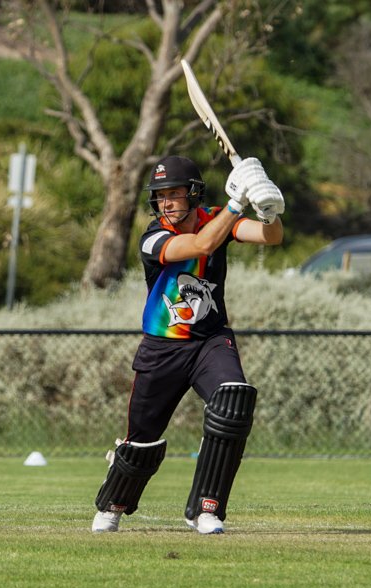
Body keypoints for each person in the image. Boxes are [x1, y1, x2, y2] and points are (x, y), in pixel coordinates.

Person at [91, 154, 284, 534]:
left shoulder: (216, 217)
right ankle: (114, 501)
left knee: (234, 400)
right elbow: (199, 246)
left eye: (174, 194)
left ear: (193, 194)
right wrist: (236, 202)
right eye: (161, 196)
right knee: (141, 441)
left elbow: (270, 238)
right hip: (162, 348)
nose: (167, 203)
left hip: (210, 341)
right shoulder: (154, 237)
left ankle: (206, 509)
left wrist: (267, 208)